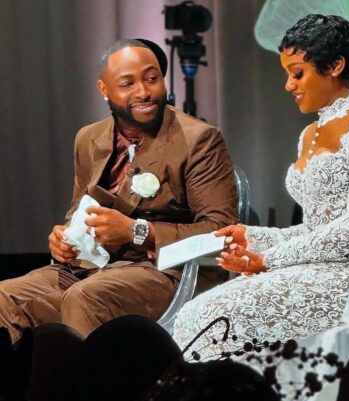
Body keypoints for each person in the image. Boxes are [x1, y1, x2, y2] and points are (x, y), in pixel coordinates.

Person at [173, 15, 349, 356]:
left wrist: (268, 259)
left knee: (206, 316)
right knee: (196, 316)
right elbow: (314, 229)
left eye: (297, 73)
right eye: (288, 75)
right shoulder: (309, 134)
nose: (289, 86)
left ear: (335, 66)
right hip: (311, 267)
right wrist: (253, 237)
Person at [0, 38, 238, 342]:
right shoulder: (88, 138)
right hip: (90, 266)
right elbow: (79, 210)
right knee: (4, 296)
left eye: (152, 79)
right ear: (104, 89)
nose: (144, 92)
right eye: (127, 84)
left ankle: (91, 376)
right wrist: (63, 239)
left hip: (163, 271)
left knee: (86, 297)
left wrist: (137, 231)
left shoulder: (199, 140)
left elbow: (222, 230)